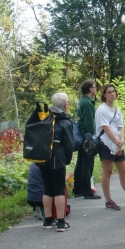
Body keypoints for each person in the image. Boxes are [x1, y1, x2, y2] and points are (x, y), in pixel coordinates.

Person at [95, 84, 125, 210]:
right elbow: (106, 128)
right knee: (107, 172)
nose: (112, 94)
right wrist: (116, 141)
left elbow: (121, 127)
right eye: (109, 92)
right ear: (104, 94)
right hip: (106, 143)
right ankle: (108, 200)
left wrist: (121, 141)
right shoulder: (101, 110)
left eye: (113, 91)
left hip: (118, 144)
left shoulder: (117, 110)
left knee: (124, 172)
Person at [38, 92, 74, 232]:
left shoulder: (45, 118)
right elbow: (69, 144)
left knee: (47, 189)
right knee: (59, 189)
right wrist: (67, 159)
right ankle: (60, 222)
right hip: (57, 159)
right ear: (65, 105)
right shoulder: (65, 121)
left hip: (42, 157)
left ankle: (48, 220)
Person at [73, 80, 100, 199]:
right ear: (90, 89)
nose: (96, 89)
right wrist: (93, 137)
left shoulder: (82, 101)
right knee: (87, 164)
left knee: (80, 163)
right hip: (87, 137)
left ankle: (77, 189)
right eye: (95, 87)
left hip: (81, 136)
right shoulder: (88, 103)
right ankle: (87, 191)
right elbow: (89, 122)